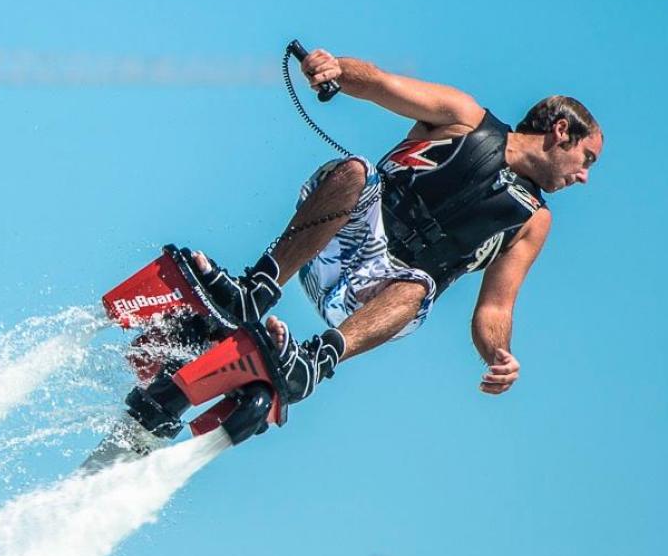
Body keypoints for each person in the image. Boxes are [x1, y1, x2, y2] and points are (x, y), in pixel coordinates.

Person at [185, 47, 603, 403]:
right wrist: (336, 69)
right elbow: (379, 83)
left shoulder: (534, 219)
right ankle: (255, 291)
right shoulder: (464, 118)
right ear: (561, 132)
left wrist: (499, 353)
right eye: (587, 159)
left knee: (422, 285)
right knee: (355, 171)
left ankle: (314, 363)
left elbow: (495, 307)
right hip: (334, 244)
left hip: (379, 302)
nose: (584, 176)